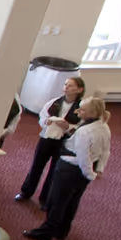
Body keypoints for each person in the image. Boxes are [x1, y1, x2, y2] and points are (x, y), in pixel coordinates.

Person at [23, 95, 110, 240]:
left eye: (82, 109)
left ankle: (46, 232)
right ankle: (62, 230)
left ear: (92, 113)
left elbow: (83, 156)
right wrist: (99, 168)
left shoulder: (85, 132)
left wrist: (89, 174)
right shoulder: (104, 127)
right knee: (72, 201)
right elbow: (105, 150)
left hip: (71, 168)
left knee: (56, 201)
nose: (78, 112)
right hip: (83, 170)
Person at [15, 75, 85, 203]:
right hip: (47, 138)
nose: (66, 88)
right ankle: (26, 191)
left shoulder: (81, 108)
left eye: (70, 86)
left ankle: (45, 198)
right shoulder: (54, 102)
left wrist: (68, 127)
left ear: (79, 90)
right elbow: (42, 117)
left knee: (54, 170)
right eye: (65, 85)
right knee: (37, 165)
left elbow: (82, 126)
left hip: (64, 141)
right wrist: (46, 121)